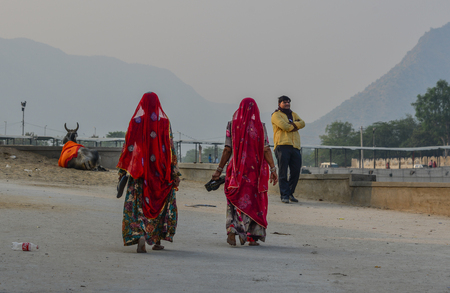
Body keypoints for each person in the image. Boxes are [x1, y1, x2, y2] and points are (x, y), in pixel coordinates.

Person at [116, 92, 181, 253]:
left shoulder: (135, 122)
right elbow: (171, 149)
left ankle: (140, 235)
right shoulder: (164, 123)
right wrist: (175, 173)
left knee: (138, 205)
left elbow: (128, 148)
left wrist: (122, 171)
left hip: (140, 173)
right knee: (160, 204)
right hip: (160, 173)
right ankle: (157, 240)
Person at [212, 98, 278, 247]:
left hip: (236, 171)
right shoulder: (260, 126)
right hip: (255, 172)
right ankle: (252, 236)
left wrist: (218, 170)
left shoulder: (232, 125)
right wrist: (273, 169)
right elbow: (266, 148)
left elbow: (227, 149)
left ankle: (233, 229)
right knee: (254, 202)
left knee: (234, 201)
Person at [271, 95, 305, 204]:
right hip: (282, 145)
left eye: (288, 102)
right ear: (279, 103)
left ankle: (290, 193)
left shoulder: (293, 114)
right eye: (284, 102)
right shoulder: (276, 115)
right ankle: (284, 195)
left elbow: (303, 123)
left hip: (295, 146)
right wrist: (295, 126)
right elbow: (284, 127)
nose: (287, 104)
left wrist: (292, 124)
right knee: (283, 171)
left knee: (295, 171)